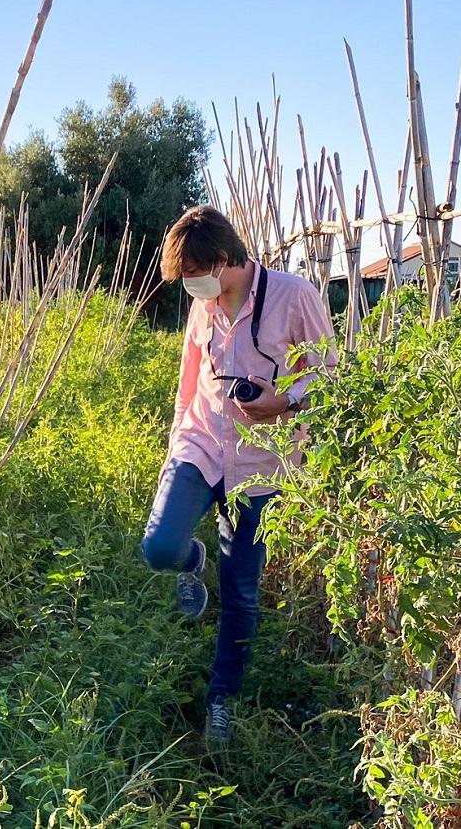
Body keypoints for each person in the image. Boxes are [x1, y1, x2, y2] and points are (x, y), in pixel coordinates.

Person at [142, 205, 336, 742]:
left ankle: (220, 701)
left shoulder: (294, 297)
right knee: (159, 546)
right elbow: (189, 379)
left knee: (241, 590)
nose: (194, 289)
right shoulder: (203, 305)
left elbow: (331, 373)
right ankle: (191, 558)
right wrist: (173, 446)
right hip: (201, 443)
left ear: (225, 260)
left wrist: (285, 401)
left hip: (261, 460)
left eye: (198, 277)